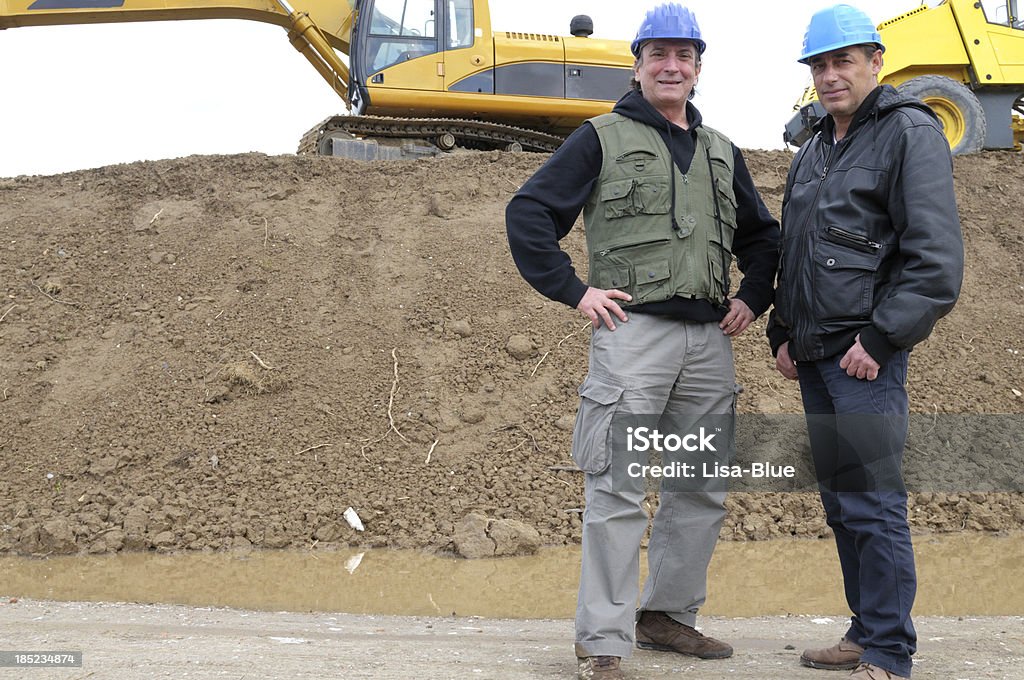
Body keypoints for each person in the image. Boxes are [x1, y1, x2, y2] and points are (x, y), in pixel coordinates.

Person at [505, 4, 780, 678]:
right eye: (659, 53)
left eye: (685, 56)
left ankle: (666, 617)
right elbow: (531, 212)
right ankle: (603, 639)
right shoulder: (601, 137)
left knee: (700, 487)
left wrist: (751, 298)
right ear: (637, 63)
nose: (672, 65)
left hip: (709, 345)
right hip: (634, 339)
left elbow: (764, 238)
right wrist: (576, 292)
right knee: (619, 487)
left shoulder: (721, 150)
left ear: (697, 67)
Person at [767, 5, 964, 680]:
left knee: (874, 501)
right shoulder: (818, 144)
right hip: (817, 355)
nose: (829, 76)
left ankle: (889, 651)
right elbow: (798, 248)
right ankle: (863, 629)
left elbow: (934, 260)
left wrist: (880, 340)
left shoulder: (911, 133)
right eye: (819, 65)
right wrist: (781, 331)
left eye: (841, 61)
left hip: (864, 361)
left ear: (875, 62)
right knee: (843, 502)